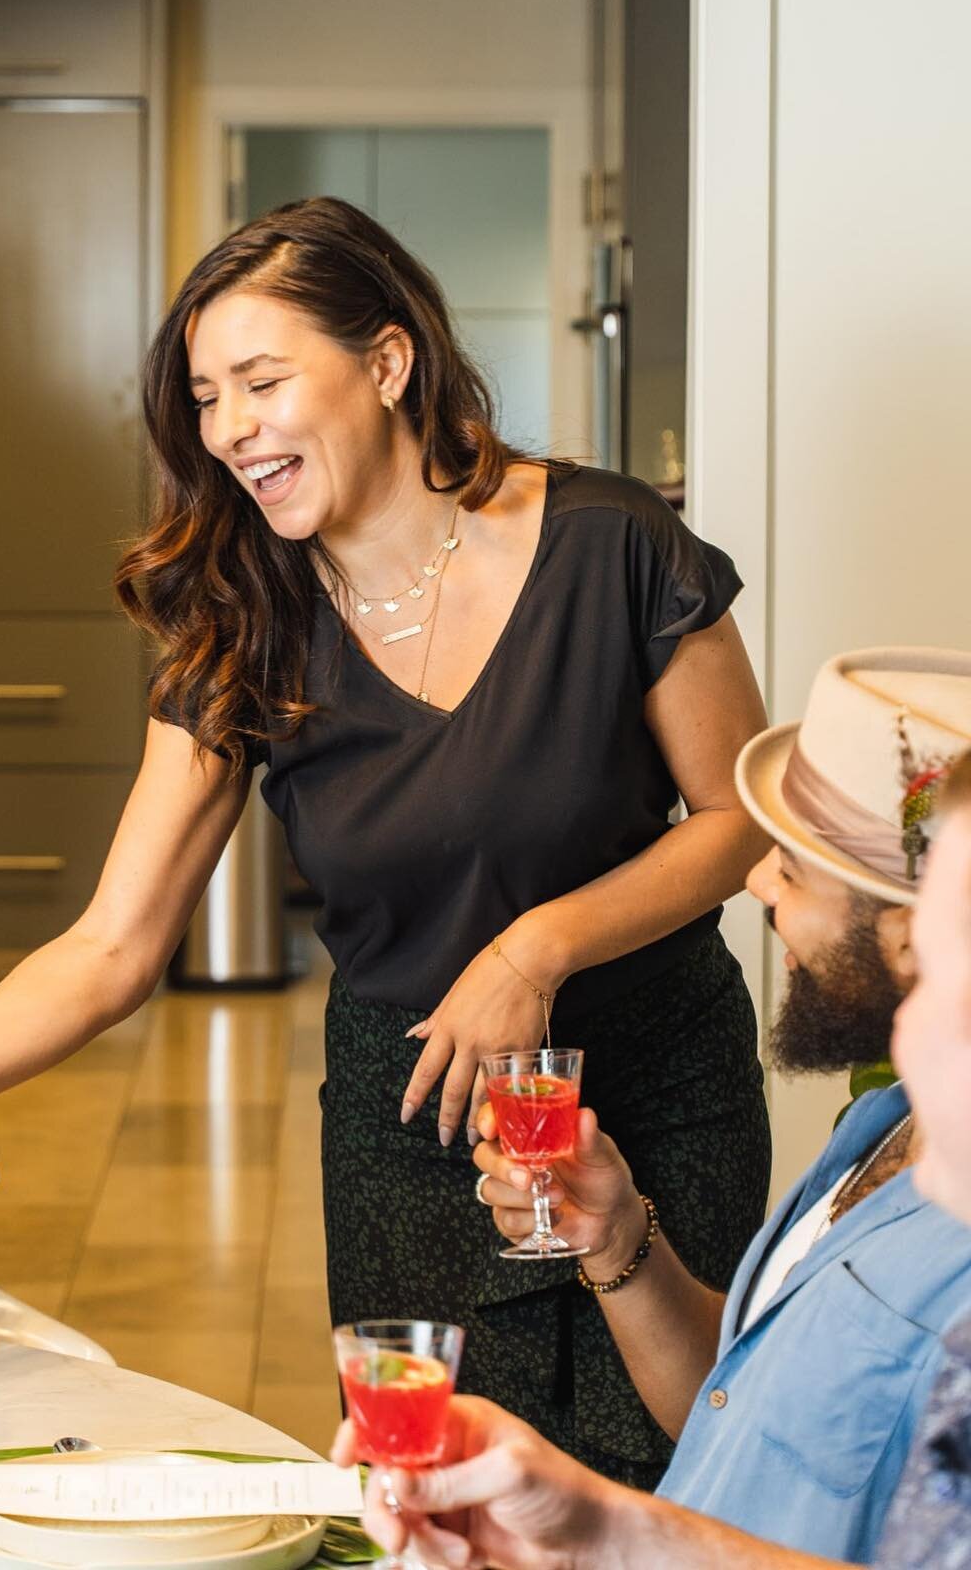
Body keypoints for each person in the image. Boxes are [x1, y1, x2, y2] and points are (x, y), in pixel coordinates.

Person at [0, 196, 771, 1484]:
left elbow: (739, 819)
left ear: (387, 362)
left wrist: (537, 948)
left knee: (691, 1469)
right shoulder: (242, 616)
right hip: (414, 1116)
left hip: (657, 1078)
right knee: (434, 1493)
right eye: (205, 398)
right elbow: (112, 943)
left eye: (262, 381)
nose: (229, 431)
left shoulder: (615, 546)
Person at [333, 651, 971, 1566]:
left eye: (789, 868)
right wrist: (617, 1238)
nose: (756, 884)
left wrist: (605, 1536)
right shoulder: (883, 1129)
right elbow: (743, 1406)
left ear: (915, 945)